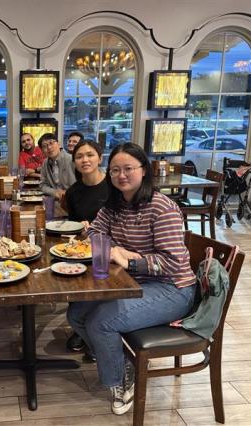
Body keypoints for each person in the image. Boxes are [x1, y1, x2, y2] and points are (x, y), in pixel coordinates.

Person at [67, 143, 196, 416]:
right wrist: (117, 248)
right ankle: (123, 362)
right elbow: (94, 233)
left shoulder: (161, 208)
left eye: (128, 169)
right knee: (76, 313)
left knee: (101, 322)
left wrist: (131, 260)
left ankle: (121, 381)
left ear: (144, 170)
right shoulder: (114, 205)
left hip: (173, 288)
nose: (121, 175)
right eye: (115, 170)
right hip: (133, 283)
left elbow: (173, 262)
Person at [64, 140, 110, 357]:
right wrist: (79, 229)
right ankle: (81, 328)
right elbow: (72, 225)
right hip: (84, 248)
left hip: (111, 249)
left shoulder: (114, 186)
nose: (85, 160)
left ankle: (94, 332)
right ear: (74, 161)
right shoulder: (73, 192)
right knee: (70, 273)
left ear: (100, 158)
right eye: (79, 156)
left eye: (90, 155)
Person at [38, 133, 76, 201]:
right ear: (42, 151)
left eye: (51, 143)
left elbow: (83, 184)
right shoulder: (45, 163)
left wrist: (67, 193)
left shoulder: (72, 160)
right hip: (56, 201)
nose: (49, 147)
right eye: (44, 146)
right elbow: (42, 185)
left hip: (74, 200)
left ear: (59, 144)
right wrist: (54, 192)